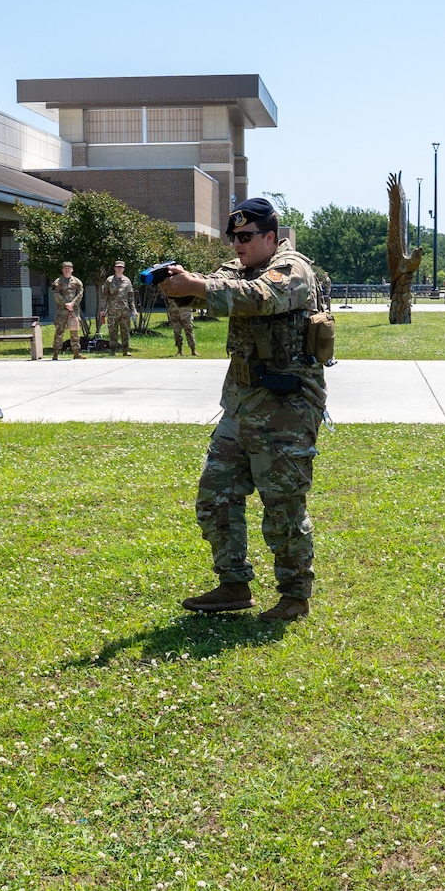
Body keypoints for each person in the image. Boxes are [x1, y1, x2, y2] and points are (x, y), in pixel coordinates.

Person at [158, 198, 327, 623]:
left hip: (287, 409)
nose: (237, 244)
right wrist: (185, 281)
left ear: (271, 237)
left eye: (246, 237)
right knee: (216, 495)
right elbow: (218, 288)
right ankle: (233, 583)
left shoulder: (292, 269)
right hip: (240, 404)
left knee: (283, 505)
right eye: (233, 237)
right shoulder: (239, 267)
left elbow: (259, 296)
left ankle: (294, 594)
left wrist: (197, 287)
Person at [49, 262, 85, 360]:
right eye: (65, 268)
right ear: (62, 270)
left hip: (74, 310)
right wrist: (65, 303)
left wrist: (73, 304)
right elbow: (56, 294)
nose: (67, 270)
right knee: (59, 331)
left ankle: (76, 353)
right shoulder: (58, 282)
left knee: (75, 331)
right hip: (62, 311)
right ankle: (56, 353)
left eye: (69, 268)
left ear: (72, 269)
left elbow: (80, 294)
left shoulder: (77, 282)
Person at [100, 260, 136, 356]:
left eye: (121, 267)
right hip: (112, 310)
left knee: (125, 330)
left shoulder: (127, 281)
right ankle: (113, 350)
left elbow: (130, 296)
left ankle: (125, 350)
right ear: (115, 268)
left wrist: (133, 309)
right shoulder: (109, 280)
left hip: (124, 310)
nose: (119, 269)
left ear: (123, 269)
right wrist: (102, 310)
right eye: (117, 267)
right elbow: (104, 296)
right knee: (112, 331)